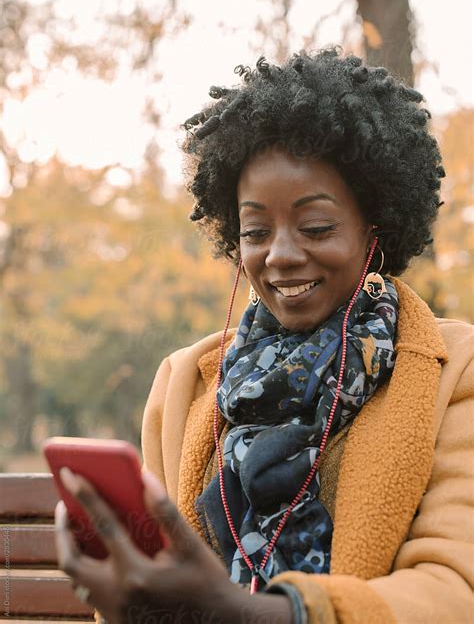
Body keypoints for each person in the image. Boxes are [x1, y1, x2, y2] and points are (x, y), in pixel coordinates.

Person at [55, 48, 473, 624]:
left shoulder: (456, 371)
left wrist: (259, 613)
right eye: (255, 230)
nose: (280, 255)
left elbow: (455, 590)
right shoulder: (183, 383)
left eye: (316, 227)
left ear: (374, 227)